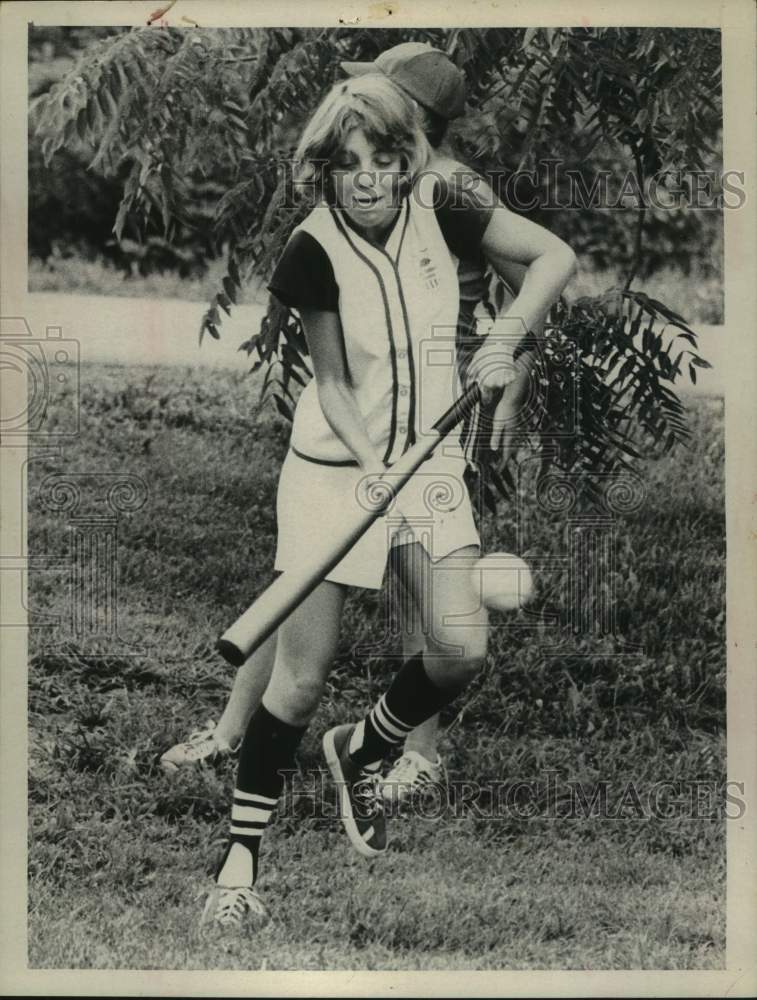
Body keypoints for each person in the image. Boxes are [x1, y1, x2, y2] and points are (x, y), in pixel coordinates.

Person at [200, 72, 575, 930]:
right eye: (345, 163)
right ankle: (238, 864)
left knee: (458, 651)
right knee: (298, 680)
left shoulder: (444, 208)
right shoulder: (310, 249)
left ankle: (360, 749)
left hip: (431, 465)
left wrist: (503, 344)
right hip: (337, 472)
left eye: (383, 158)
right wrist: (373, 462)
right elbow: (332, 383)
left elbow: (554, 257)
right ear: (322, 171)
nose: (366, 178)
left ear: (409, 159)